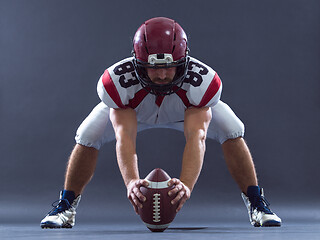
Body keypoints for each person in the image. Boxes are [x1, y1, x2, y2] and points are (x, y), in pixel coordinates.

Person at [40, 17, 281, 229]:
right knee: (87, 134)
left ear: (183, 60)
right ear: (138, 62)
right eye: (154, 68)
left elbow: (196, 134)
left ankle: (256, 203)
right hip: (136, 110)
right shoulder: (118, 82)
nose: (163, 75)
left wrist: (186, 184)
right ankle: (66, 207)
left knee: (232, 128)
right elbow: (125, 135)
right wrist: (132, 181)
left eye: (169, 67)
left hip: (184, 110)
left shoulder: (202, 82)